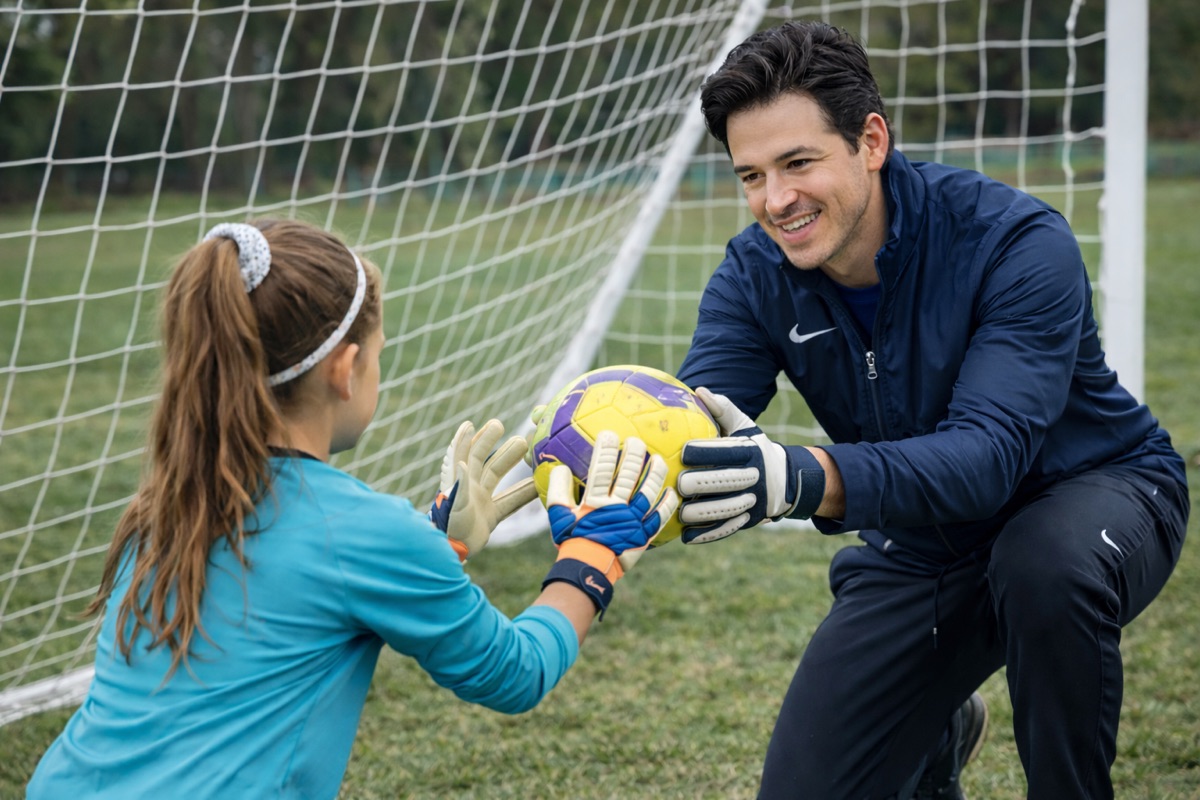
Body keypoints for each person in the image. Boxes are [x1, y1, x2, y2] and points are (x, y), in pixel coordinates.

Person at [671, 20, 1189, 800]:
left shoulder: (1015, 241)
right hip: (925, 543)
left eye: (797, 163)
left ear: (870, 141)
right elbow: (690, 427)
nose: (775, 201)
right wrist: (575, 467)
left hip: (1093, 494)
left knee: (1040, 565)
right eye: (751, 176)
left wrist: (804, 478)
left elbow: (986, 460)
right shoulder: (754, 275)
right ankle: (937, 726)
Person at [26, 219, 677, 799]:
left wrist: (435, 546)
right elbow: (515, 673)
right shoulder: (360, 531)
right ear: (346, 369)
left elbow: (295, 593)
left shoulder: (168, 503)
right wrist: (593, 555)